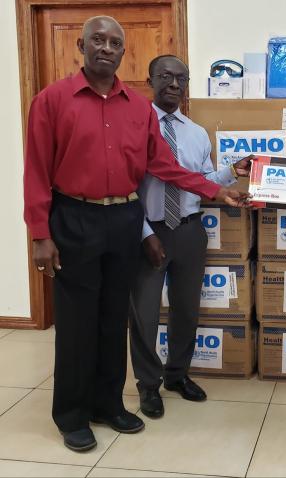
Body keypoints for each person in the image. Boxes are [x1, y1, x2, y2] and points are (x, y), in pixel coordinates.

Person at [23, 16, 248, 453]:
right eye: (98, 40)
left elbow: (163, 166)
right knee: (76, 323)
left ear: (123, 53)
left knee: (113, 319)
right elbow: (36, 170)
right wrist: (39, 233)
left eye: (115, 43)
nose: (106, 48)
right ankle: (72, 414)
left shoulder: (137, 109)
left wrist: (215, 189)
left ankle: (108, 404)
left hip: (124, 219)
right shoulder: (52, 100)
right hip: (74, 217)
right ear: (82, 46)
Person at [129, 55, 251, 418]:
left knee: (186, 310)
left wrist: (231, 172)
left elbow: (201, 184)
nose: (174, 83)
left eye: (181, 78)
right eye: (166, 76)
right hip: (148, 232)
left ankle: (176, 375)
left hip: (188, 230)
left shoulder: (196, 133)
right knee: (145, 315)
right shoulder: (134, 126)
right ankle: (148, 385)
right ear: (150, 79)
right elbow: (125, 189)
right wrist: (145, 232)